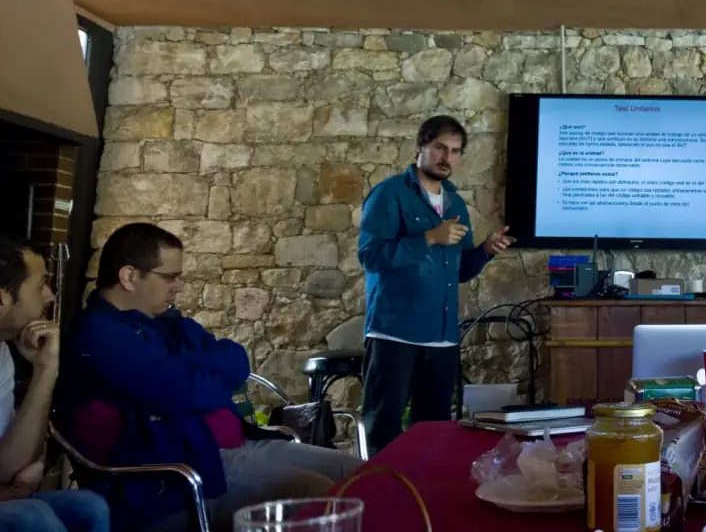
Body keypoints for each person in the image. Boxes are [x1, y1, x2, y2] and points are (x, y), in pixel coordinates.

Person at [57, 223, 359, 532]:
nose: (179, 286)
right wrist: (197, 372)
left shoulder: (166, 322)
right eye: (170, 277)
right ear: (129, 276)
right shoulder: (101, 336)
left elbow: (237, 362)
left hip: (238, 445)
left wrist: (178, 365)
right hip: (178, 475)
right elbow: (195, 393)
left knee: (362, 475)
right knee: (318, 493)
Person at [358, 115, 515, 454]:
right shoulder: (389, 194)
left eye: (455, 151)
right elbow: (370, 257)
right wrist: (429, 237)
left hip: (443, 337)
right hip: (395, 333)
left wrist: (486, 250)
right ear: (421, 147)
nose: (447, 157)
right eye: (440, 147)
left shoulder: (455, 203)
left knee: (435, 433)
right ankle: (380, 487)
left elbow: (460, 271)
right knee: (384, 428)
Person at [0, 238, 109, 532]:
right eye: (40, 286)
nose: (50, 296)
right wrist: (12, 493)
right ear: (2, 298)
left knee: (87, 506)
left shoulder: (2, 354)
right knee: (31, 515)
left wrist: (46, 370)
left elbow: (7, 466)